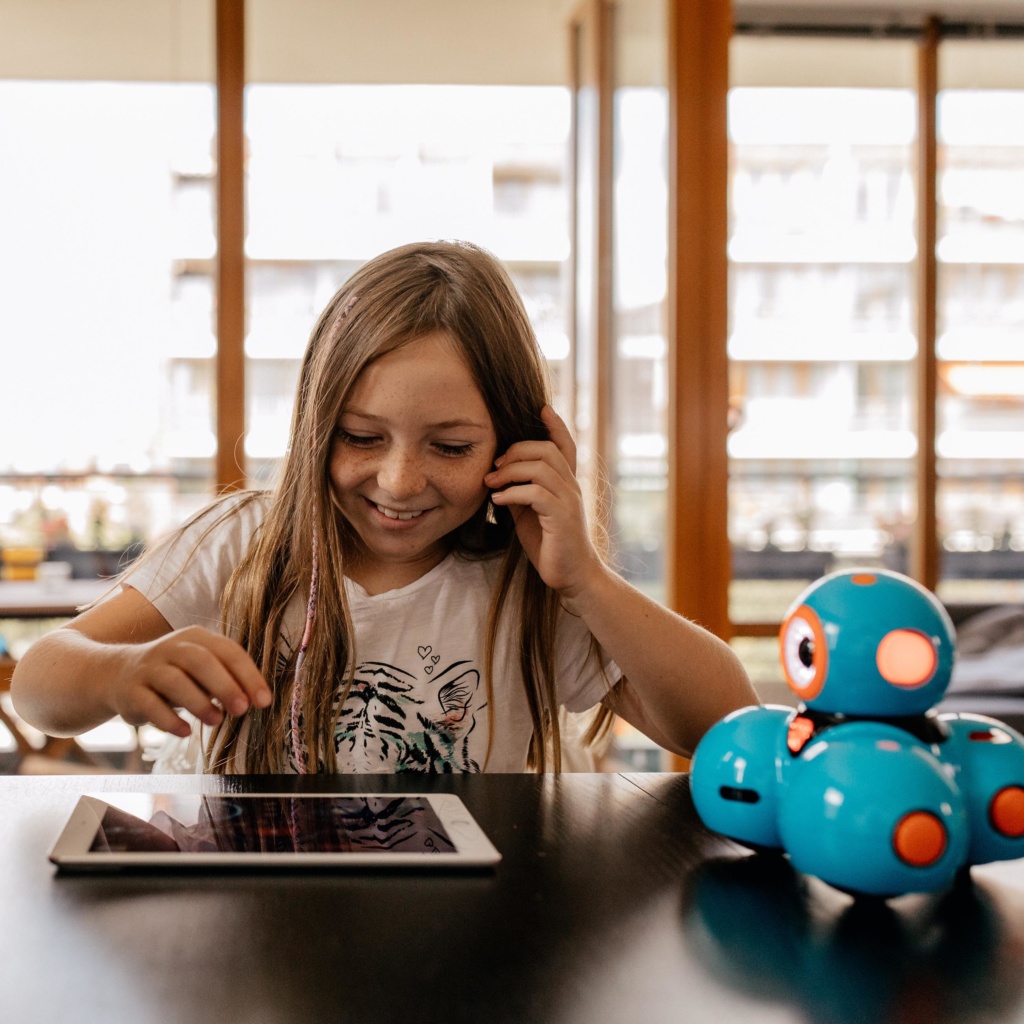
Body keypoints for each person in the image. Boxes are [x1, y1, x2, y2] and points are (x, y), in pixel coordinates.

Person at [12, 240, 757, 774]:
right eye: (362, 437)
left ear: (515, 443)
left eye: (451, 447)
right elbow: (43, 683)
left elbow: (723, 728)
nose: (399, 482)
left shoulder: (533, 584)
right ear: (314, 427)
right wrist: (119, 673)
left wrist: (587, 582)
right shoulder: (242, 541)